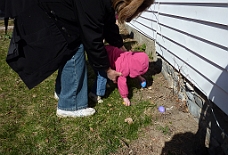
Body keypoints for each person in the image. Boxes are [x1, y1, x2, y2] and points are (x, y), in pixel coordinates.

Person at [4, 0, 155, 118]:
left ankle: (62, 91)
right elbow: (92, 38)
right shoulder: (94, 3)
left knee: (68, 48)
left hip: (55, 13)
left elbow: (108, 25)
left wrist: (121, 47)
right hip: (45, 15)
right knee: (75, 48)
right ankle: (71, 105)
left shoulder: (106, 3)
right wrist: (107, 69)